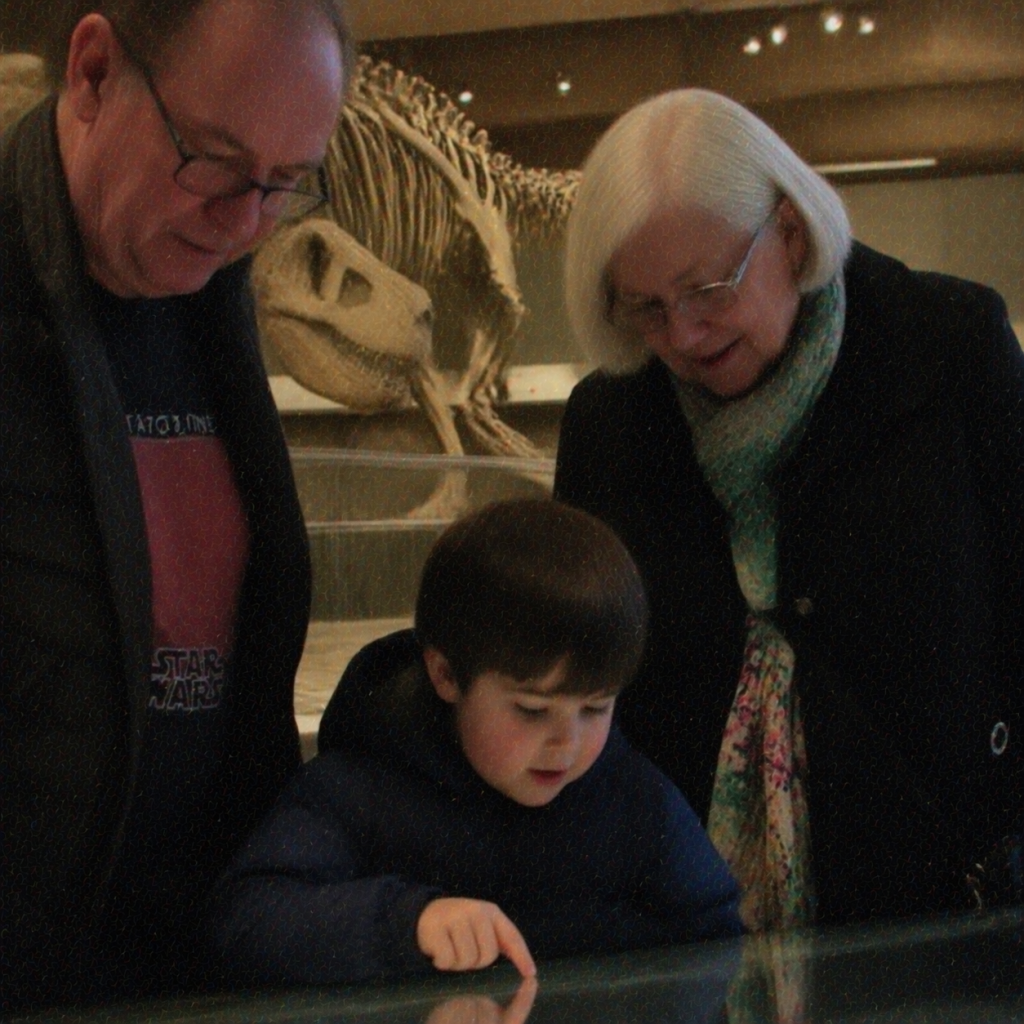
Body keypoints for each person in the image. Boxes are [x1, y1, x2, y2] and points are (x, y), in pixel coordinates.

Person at [555, 88, 1023, 931]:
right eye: (648, 308)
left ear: (792, 231)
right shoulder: (611, 419)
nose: (685, 335)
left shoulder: (950, 346)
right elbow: (580, 658)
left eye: (708, 288)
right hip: (690, 914)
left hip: (943, 906)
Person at [0, 0, 354, 1012]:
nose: (244, 223)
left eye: (283, 184)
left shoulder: (208, 288)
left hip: (196, 955)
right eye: (210, 157)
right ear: (96, 70)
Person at [211, 499, 743, 985]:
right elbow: (248, 921)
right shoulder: (360, 789)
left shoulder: (633, 800)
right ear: (445, 675)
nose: (567, 741)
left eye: (596, 707)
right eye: (532, 710)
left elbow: (715, 936)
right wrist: (409, 923)